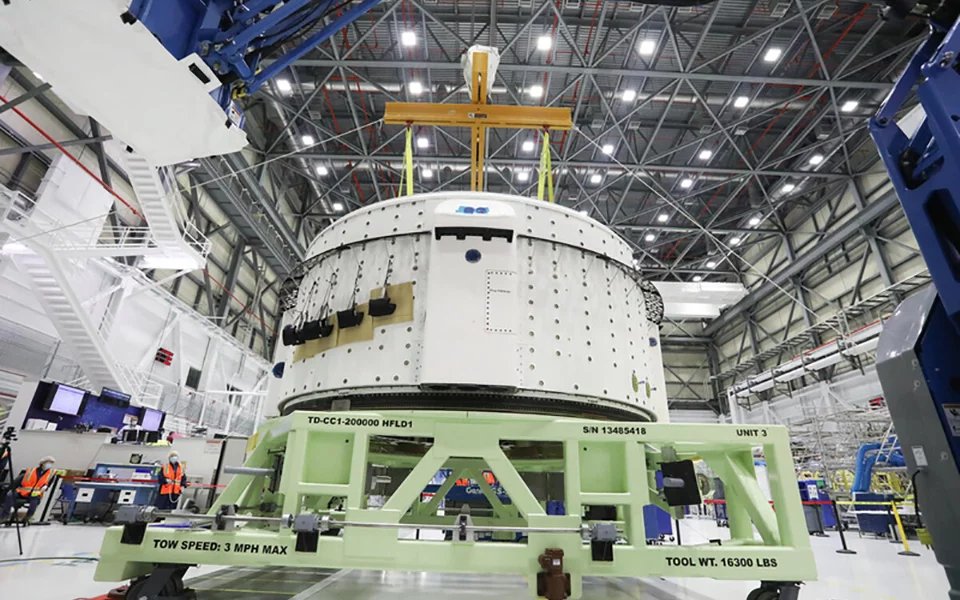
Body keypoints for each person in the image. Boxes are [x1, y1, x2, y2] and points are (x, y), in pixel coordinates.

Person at [0, 455, 56, 522]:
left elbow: (48, 484)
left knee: (34, 502)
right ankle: (4, 516)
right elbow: (19, 481)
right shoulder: (30, 471)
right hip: (22, 491)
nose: (49, 465)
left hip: (35, 494)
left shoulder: (50, 474)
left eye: (51, 463)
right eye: (48, 463)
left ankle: (27, 518)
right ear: (42, 463)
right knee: (10, 495)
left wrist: (45, 487)